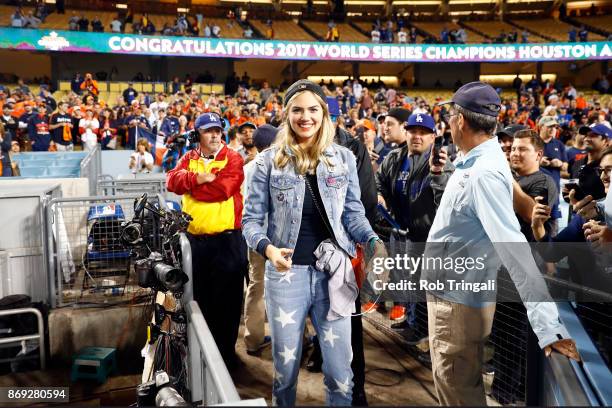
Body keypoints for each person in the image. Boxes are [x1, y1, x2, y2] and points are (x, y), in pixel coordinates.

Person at [424, 82, 579, 406]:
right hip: (455, 296)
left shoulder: (484, 173)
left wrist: (548, 328)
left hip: (457, 304)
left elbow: (516, 251)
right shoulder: (485, 157)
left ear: (460, 121)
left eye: (451, 116)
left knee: (458, 393)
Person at [242, 80, 384, 406]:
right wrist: (268, 249)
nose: (305, 117)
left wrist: (373, 240)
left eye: (312, 109)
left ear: (324, 114)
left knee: (341, 374)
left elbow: (353, 216)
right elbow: (249, 222)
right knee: (285, 373)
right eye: (297, 109)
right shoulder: (267, 163)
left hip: (336, 276)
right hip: (286, 276)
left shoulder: (344, 159)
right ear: (287, 114)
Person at [166, 112, 246, 369]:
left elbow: (223, 189)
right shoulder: (188, 159)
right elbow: (171, 181)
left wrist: (189, 186)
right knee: (201, 301)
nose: (215, 135)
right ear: (197, 134)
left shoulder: (232, 158)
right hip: (196, 244)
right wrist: (197, 178)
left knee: (229, 303)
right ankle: (204, 358)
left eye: (218, 130)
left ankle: (226, 357)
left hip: (228, 243)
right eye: (208, 131)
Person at [377, 112, 454, 342]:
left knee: (425, 284)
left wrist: (438, 173)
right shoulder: (394, 157)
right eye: (413, 131)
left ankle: (423, 330)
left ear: (433, 137)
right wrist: (380, 195)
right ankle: (413, 321)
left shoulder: (440, 163)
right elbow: (380, 181)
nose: (417, 136)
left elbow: (447, 197)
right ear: (406, 132)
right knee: (406, 279)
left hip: (428, 235)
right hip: (401, 230)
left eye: (424, 132)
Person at [243, 124, 278, 357]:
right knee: (286, 289)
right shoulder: (281, 165)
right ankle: (296, 339)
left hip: (254, 239)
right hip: (278, 239)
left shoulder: (246, 168)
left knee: (256, 287)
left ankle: (253, 340)